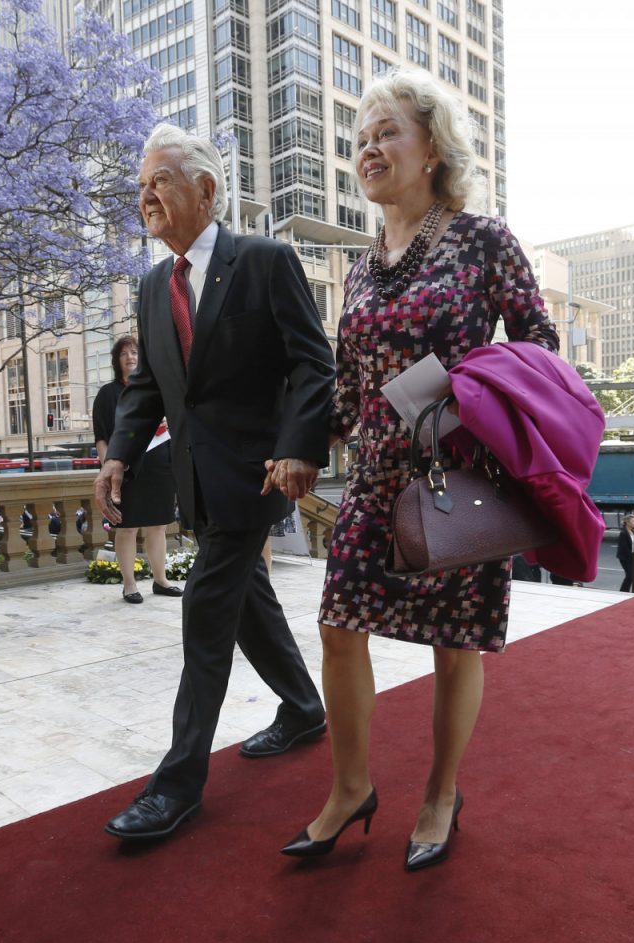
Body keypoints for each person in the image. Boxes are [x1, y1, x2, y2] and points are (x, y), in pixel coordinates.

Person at [282, 69, 560, 872]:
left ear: (432, 147)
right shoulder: (362, 266)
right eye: (360, 138)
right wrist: (303, 447)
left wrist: (458, 384)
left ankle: (440, 794)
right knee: (339, 627)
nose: (368, 147)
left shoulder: (484, 240)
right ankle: (351, 788)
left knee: (453, 645)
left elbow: (538, 348)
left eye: (386, 132)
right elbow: (348, 384)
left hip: (457, 475)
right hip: (373, 478)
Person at [95, 123, 335, 840]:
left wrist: (297, 448)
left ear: (204, 188)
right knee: (248, 600)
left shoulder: (263, 260)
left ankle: (177, 783)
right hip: (195, 480)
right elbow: (149, 387)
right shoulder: (151, 286)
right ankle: (303, 707)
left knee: (205, 610)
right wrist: (118, 452)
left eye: (158, 181)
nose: (145, 196)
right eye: (139, 186)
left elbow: (312, 363)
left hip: (256, 475)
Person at [92, 335, 183, 603]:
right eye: (124, 354)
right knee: (127, 528)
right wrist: (107, 473)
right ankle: (129, 584)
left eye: (135, 353)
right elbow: (101, 438)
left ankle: (160, 580)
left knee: (158, 526)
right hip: (126, 472)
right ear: (116, 360)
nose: (131, 358)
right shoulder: (107, 395)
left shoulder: (157, 391)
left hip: (159, 467)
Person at [617, 515, 634, 592]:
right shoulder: (623, 533)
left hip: (632, 557)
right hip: (625, 558)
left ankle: (625, 591)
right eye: (633, 521)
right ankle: (623, 592)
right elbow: (624, 548)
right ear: (627, 522)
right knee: (630, 576)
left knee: (632, 576)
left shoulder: (633, 531)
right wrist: (632, 557)